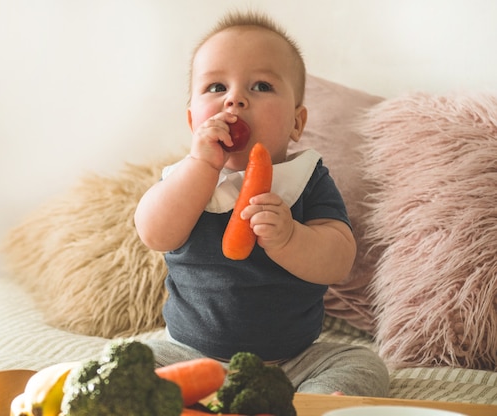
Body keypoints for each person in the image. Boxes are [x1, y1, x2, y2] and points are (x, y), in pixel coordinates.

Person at [134, 10, 389, 397]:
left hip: (291, 362)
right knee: (129, 360)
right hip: (188, 355)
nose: (235, 99)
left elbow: (338, 260)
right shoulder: (186, 179)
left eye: (262, 86)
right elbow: (154, 232)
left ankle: (310, 404)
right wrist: (201, 166)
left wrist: (290, 238)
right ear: (192, 122)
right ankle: (183, 397)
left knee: (363, 364)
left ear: (297, 123)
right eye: (216, 87)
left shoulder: (306, 178)